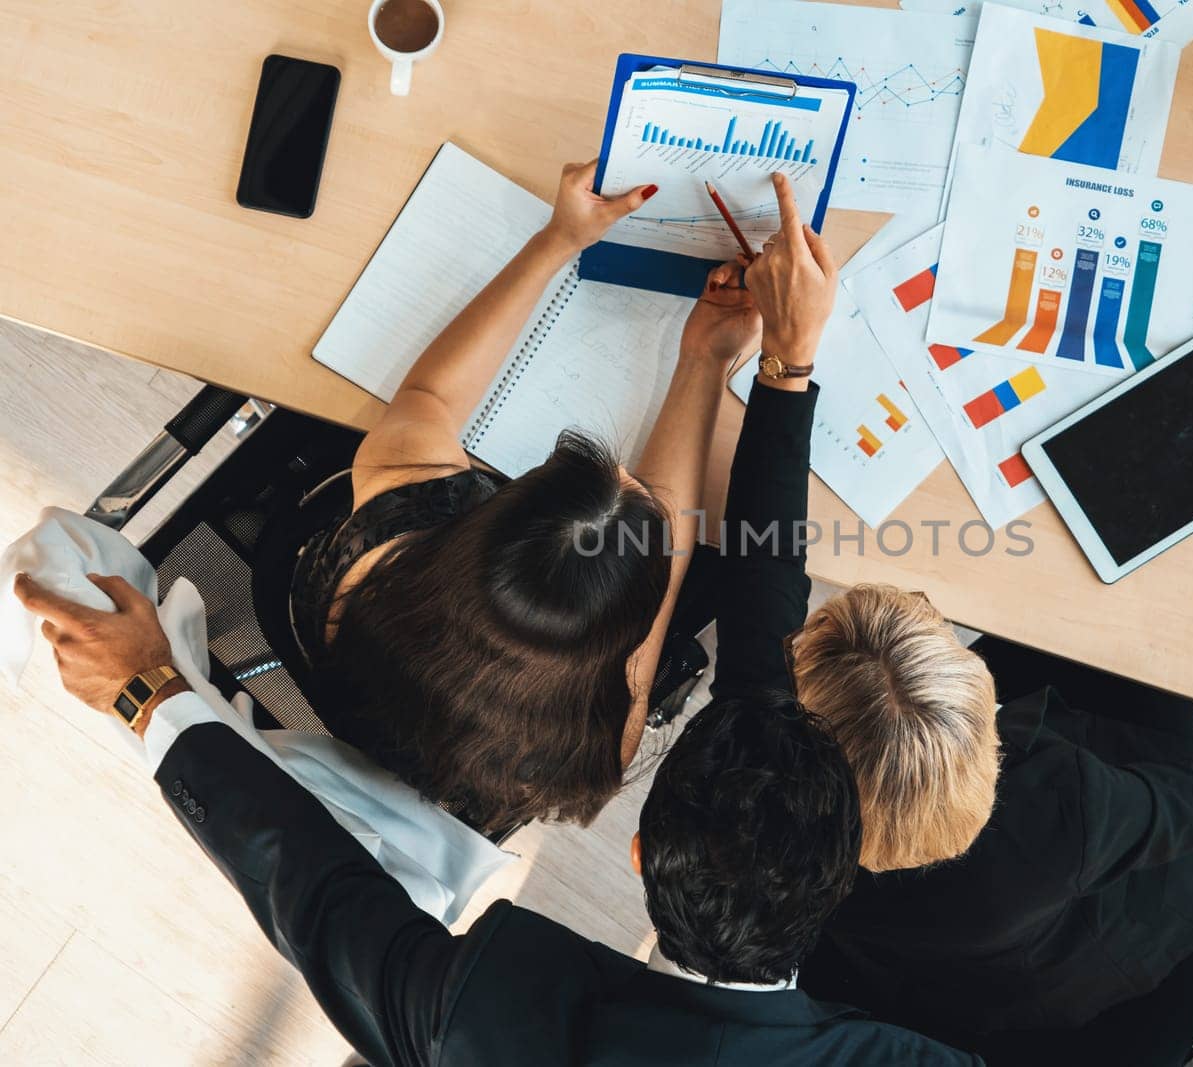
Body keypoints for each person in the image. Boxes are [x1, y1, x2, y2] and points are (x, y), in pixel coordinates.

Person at [13, 178, 977, 1066]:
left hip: (339, 646)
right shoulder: (605, 727)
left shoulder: (392, 525)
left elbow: (311, 889)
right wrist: (745, 366)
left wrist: (588, 255)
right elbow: (695, 568)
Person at [714, 367, 1193, 1067]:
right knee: (1145, 619)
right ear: (988, 736)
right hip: (1074, 959)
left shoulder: (754, 775)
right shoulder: (1059, 811)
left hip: (900, 965)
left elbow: (758, 563)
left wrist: (787, 366)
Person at [280, 160, 765, 837]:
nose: (634, 478)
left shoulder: (394, 524)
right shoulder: (599, 739)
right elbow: (672, 554)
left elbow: (430, 398)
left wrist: (558, 238)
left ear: (492, 513)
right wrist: (706, 359)